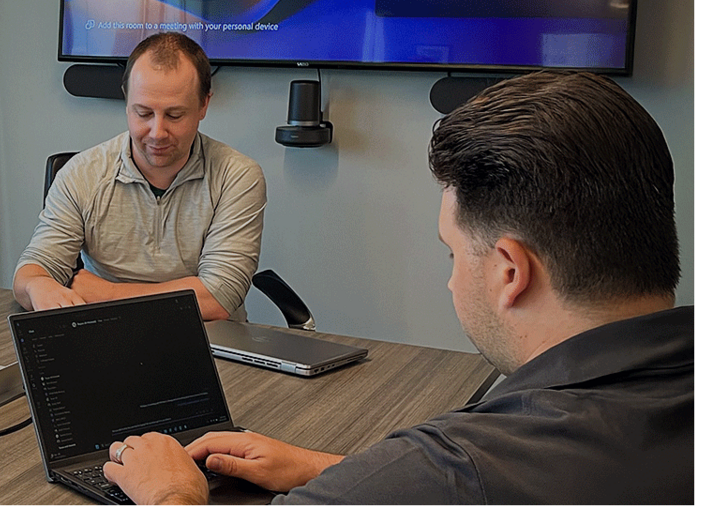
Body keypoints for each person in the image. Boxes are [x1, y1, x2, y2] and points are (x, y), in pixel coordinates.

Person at [103, 70, 691, 504]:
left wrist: (171, 495)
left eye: (453, 253)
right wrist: (335, 470)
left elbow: (457, 482)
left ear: (510, 272)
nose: (453, 279)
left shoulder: (461, 467)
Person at [13, 32, 266, 322]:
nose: (157, 133)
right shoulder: (81, 173)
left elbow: (219, 297)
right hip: (109, 333)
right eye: (143, 113)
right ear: (127, 101)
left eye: (175, 115)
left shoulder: (237, 177)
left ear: (203, 105)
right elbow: (32, 272)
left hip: (208, 337)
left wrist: (107, 294)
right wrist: (37, 285)